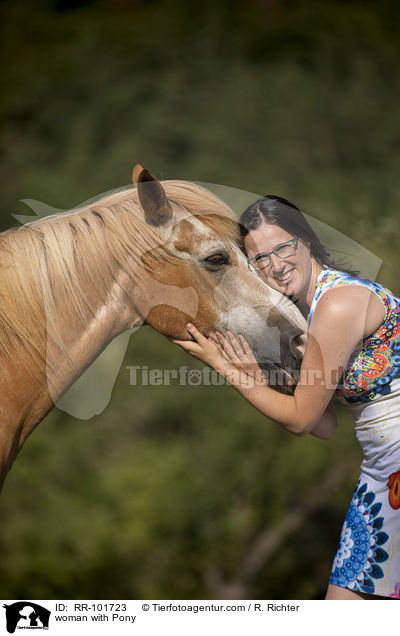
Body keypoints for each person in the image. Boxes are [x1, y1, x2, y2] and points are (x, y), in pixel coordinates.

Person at [172, 194, 400, 600]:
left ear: (306, 241)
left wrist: (225, 369)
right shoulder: (309, 316)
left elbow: (301, 420)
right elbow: (325, 426)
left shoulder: (337, 305)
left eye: (283, 248)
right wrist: (256, 374)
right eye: (260, 259)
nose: (275, 266)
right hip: (383, 469)